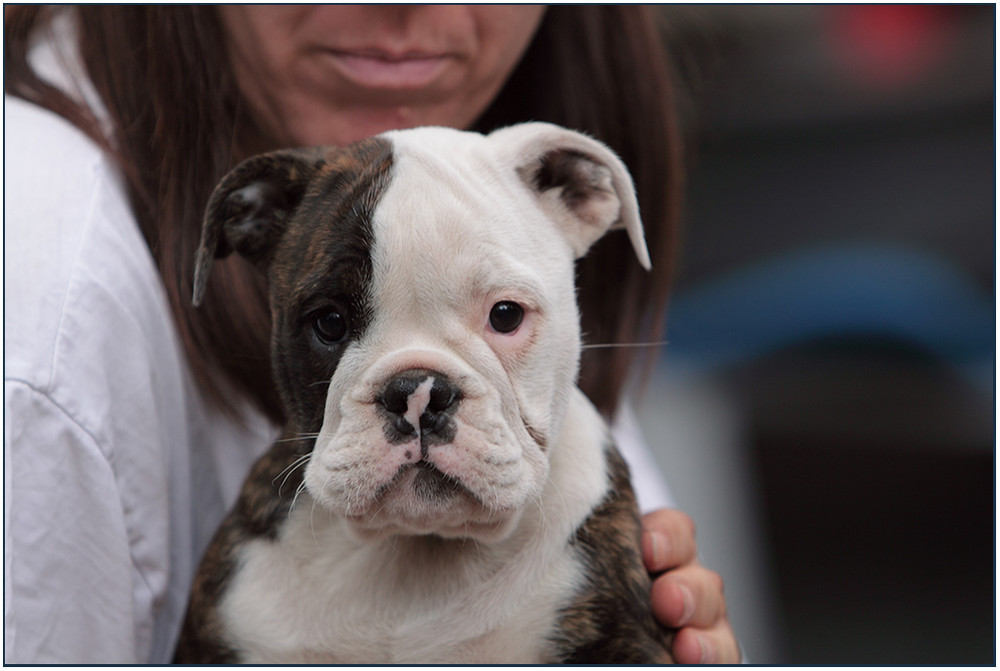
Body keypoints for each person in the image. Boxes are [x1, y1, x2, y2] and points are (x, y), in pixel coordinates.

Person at [4, 5, 739, 664]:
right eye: (332, 323)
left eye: (503, 318)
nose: (421, 397)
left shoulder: (508, 188)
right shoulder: (45, 304)